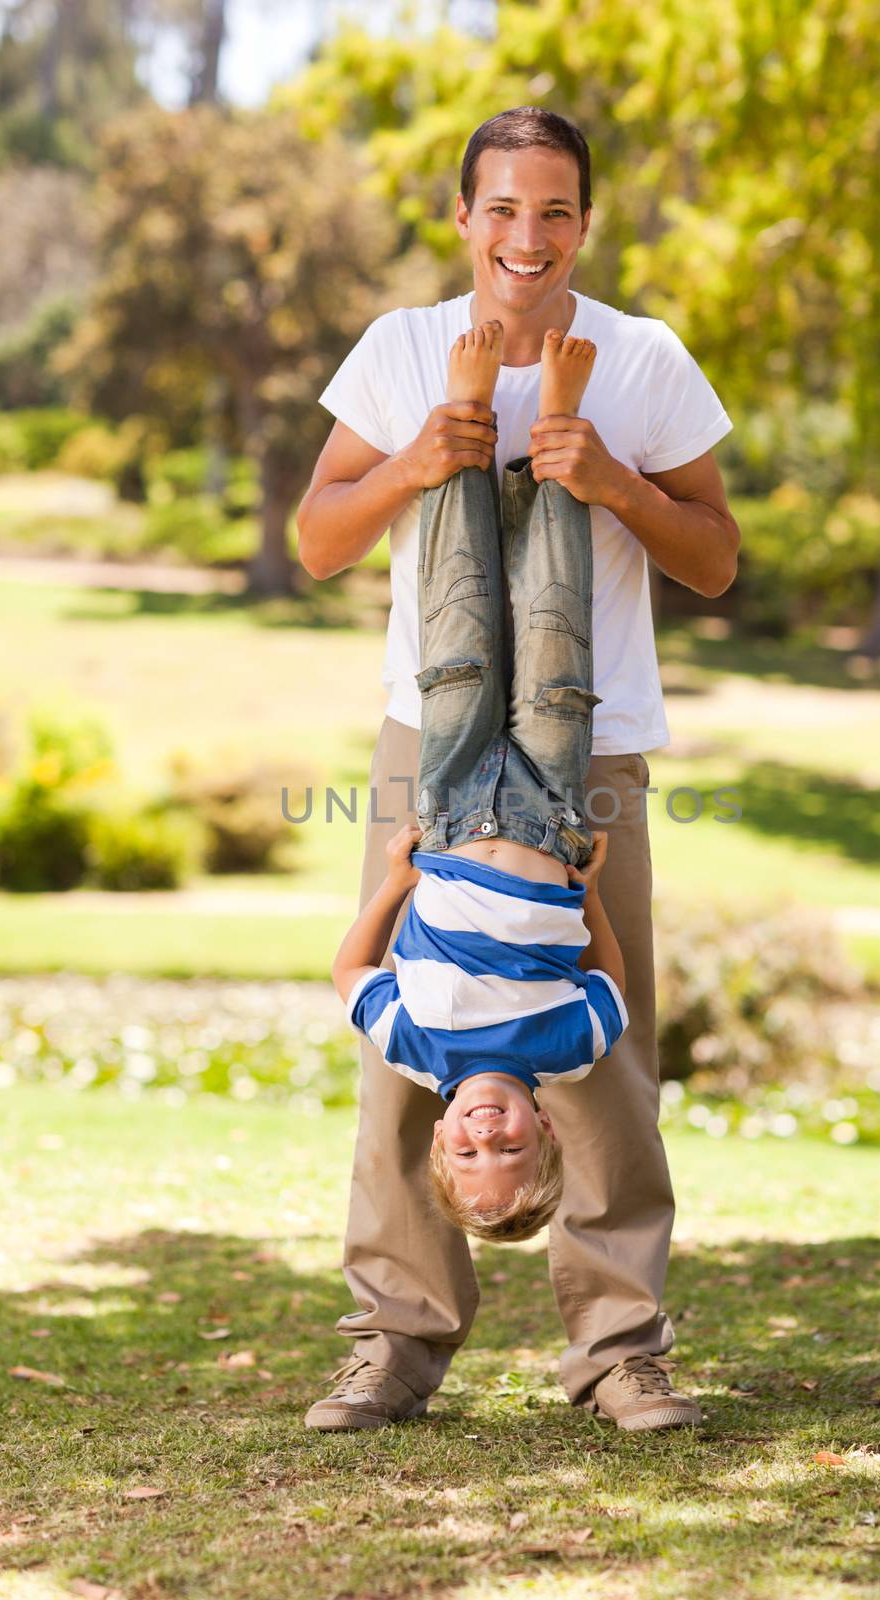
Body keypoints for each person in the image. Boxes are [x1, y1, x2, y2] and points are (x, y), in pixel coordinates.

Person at [298, 105, 738, 1434]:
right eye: (502, 209)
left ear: (583, 223)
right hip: (420, 733)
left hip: (590, 742)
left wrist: (615, 482)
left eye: (552, 211)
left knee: (607, 1050)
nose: (526, 237)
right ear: (463, 217)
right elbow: (317, 537)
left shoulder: (647, 362)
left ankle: (617, 1352)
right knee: (402, 1056)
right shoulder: (396, 352)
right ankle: (395, 1342)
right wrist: (408, 471)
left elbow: (713, 558)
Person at [331, 321, 628, 1247]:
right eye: (508, 1153)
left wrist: (392, 885)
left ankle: (463, 417)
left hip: (451, 808)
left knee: (455, 632)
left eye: (466, 1156)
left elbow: (350, 972)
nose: (485, 1139)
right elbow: (609, 981)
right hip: (548, 814)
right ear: (544, 1132)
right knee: (551, 630)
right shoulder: (569, 1051)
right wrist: (590, 890)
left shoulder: (414, 1050)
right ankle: (553, 424)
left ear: (440, 1143)